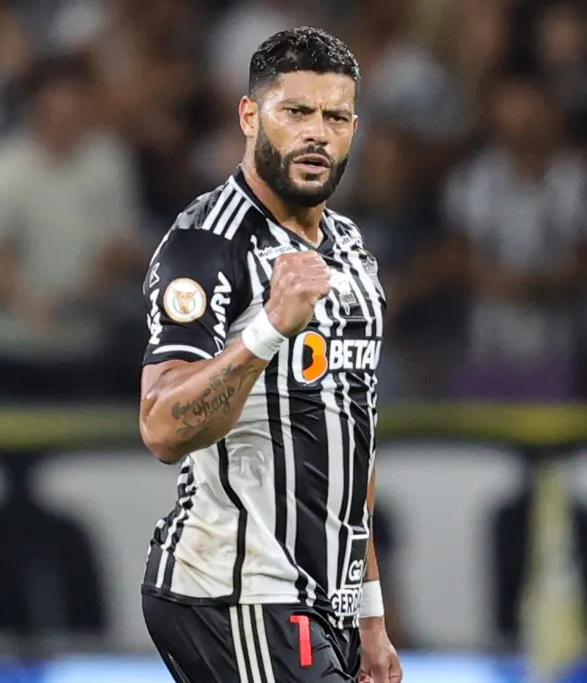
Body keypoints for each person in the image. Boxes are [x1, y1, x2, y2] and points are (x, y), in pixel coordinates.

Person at [138, 27, 402, 683]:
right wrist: (268, 331)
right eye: (297, 112)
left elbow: (350, 438)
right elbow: (162, 426)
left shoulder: (347, 244)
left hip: (320, 600)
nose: (317, 133)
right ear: (250, 116)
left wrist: (368, 611)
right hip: (241, 586)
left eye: (335, 116)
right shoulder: (206, 243)